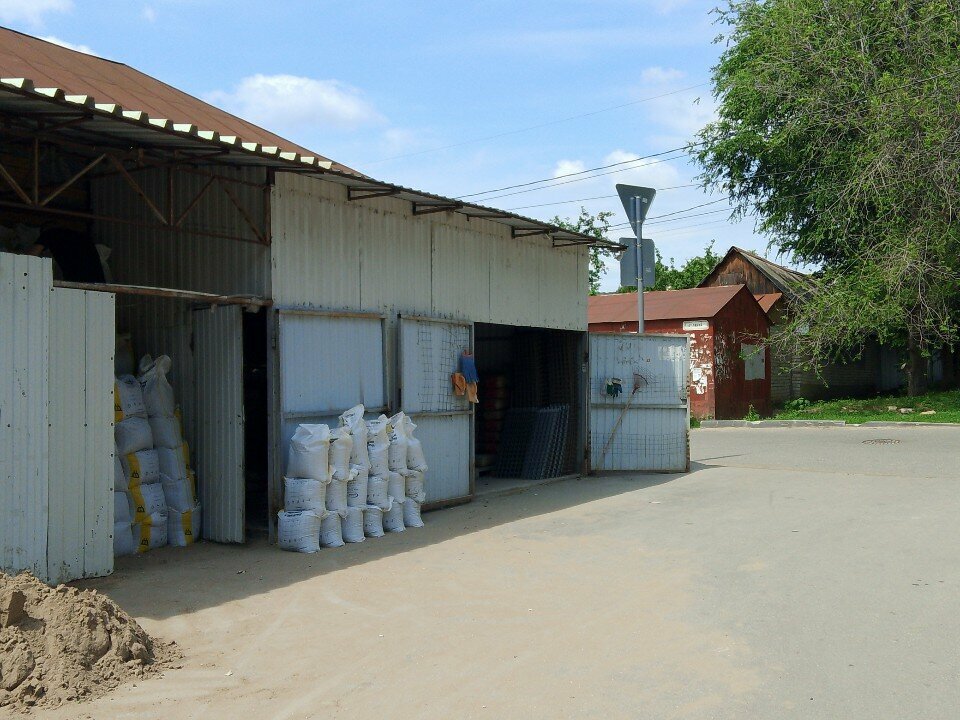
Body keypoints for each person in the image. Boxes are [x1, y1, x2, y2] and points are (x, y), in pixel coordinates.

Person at [27, 228, 106, 283]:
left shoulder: (49, 233)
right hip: (99, 284)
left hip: (77, 283)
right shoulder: (83, 237)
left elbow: (30, 258)